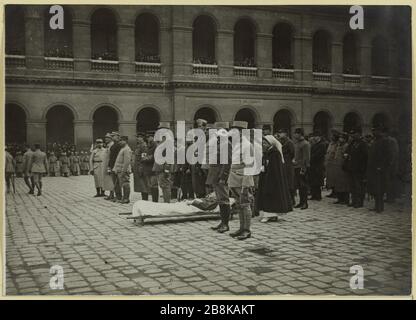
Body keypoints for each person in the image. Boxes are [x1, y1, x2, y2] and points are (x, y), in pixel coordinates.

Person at [228, 121, 255, 240]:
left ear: (240, 132)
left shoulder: (246, 145)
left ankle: (247, 230)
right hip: (233, 178)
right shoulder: (236, 144)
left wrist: (246, 184)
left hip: (242, 179)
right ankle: (241, 228)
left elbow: (249, 166)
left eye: (234, 130)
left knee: (245, 204)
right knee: (238, 205)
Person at [257, 135, 293, 222]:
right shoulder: (268, 153)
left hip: (273, 179)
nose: (263, 144)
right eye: (263, 143)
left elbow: (274, 168)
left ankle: (269, 214)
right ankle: (271, 214)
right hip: (267, 177)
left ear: (270, 143)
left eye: (265, 143)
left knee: (271, 196)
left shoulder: (274, 153)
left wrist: (265, 169)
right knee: (269, 196)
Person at [207, 122, 232, 233]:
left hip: (220, 176)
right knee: (220, 199)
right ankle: (222, 222)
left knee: (224, 199)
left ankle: (225, 224)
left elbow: (227, 163)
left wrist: (223, 177)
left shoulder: (226, 144)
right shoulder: (219, 144)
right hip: (215, 175)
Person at [366, 125, 393, 213]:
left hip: (380, 170)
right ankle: (377, 206)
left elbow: (388, 156)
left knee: (379, 189)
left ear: (380, 131)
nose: (373, 133)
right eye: (373, 131)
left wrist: (381, 166)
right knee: (375, 189)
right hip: (373, 169)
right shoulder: (375, 141)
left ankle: (380, 207)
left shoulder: (385, 141)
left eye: (375, 131)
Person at [343, 128, 368, 208]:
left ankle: (359, 202)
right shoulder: (352, 143)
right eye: (352, 134)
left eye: (354, 134)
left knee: (358, 186)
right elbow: (347, 151)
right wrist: (346, 154)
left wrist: (362, 167)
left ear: (359, 134)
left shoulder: (363, 143)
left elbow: (365, 156)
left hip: (359, 168)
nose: (352, 135)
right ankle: (354, 201)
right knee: (352, 185)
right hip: (351, 167)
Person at [152, 123, 174, 203]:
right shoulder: (163, 141)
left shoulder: (168, 141)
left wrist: (167, 170)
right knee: (163, 185)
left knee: (165, 185)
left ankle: (167, 203)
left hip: (163, 168)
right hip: (160, 167)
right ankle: (166, 202)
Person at [293, 128, 310, 209]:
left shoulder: (305, 144)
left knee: (303, 186)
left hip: (301, 167)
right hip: (296, 166)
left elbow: (306, 158)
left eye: (296, 133)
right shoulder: (297, 143)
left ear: (300, 134)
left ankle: (305, 203)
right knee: (299, 186)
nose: (294, 135)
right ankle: (301, 202)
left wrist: (304, 168)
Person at [277, 129, 295, 204]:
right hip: (283, 164)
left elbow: (292, 153)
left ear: (285, 134)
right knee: (285, 182)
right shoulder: (281, 141)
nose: (280, 134)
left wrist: (288, 159)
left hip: (288, 164)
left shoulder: (289, 142)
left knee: (289, 182)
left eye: (281, 133)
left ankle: (292, 199)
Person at [191, 118, 208, 198]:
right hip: (196, 164)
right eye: (197, 126)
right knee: (196, 183)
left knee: (202, 183)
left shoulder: (206, 137)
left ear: (204, 127)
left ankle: (203, 198)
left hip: (202, 164)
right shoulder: (196, 138)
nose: (197, 128)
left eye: (199, 126)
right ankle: (199, 197)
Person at [332, 132, 351, 205]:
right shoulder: (338, 145)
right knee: (338, 184)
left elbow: (345, 156)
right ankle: (339, 198)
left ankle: (345, 199)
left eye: (342, 137)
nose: (340, 139)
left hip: (343, 167)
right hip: (337, 166)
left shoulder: (346, 146)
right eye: (340, 137)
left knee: (344, 184)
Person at [113, 136, 132, 204]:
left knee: (125, 184)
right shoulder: (123, 149)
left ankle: (126, 199)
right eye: (120, 141)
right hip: (119, 169)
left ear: (125, 141)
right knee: (121, 184)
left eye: (121, 141)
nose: (120, 142)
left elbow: (127, 162)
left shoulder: (126, 149)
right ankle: (123, 198)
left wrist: (123, 171)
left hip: (123, 170)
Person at [308, 131, 327, 201]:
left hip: (318, 165)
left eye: (316, 136)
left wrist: (310, 157)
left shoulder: (322, 145)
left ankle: (318, 196)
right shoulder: (315, 144)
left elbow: (319, 154)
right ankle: (314, 195)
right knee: (313, 180)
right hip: (313, 165)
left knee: (318, 181)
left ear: (319, 137)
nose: (314, 137)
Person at [142, 131, 159, 202]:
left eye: (149, 137)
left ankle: (155, 201)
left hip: (153, 168)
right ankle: (153, 200)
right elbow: (144, 155)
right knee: (151, 185)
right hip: (148, 168)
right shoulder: (149, 145)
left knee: (154, 185)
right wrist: (146, 158)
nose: (148, 138)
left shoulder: (155, 146)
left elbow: (155, 157)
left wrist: (146, 158)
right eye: (147, 137)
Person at [132, 132, 150, 200]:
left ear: (142, 138)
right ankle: (144, 198)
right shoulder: (139, 146)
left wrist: (141, 168)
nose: (137, 138)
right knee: (141, 184)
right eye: (137, 137)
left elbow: (144, 158)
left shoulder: (143, 146)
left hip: (141, 168)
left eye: (139, 137)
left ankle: (145, 199)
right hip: (138, 167)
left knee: (144, 184)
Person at [385, 129, 399, 203]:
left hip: (391, 165)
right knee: (389, 181)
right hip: (391, 164)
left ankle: (391, 198)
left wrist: (391, 163)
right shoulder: (392, 140)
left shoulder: (391, 141)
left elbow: (393, 153)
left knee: (390, 181)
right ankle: (390, 197)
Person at [325, 130, 340, 198]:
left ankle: (336, 192)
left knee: (335, 179)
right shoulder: (331, 144)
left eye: (333, 136)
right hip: (329, 163)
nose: (331, 137)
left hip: (334, 164)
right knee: (330, 179)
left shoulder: (337, 144)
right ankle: (333, 191)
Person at [108, 132, 122, 202]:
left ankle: (119, 196)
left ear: (118, 136)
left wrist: (116, 166)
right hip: (112, 165)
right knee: (114, 182)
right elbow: (111, 157)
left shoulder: (119, 145)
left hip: (117, 165)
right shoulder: (113, 145)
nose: (112, 137)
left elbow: (119, 157)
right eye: (112, 136)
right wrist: (109, 166)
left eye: (114, 136)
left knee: (118, 182)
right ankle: (117, 196)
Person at [102, 133, 115, 200]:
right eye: (105, 138)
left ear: (111, 139)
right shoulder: (108, 145)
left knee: (111, 179)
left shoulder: (112, 145)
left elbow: (111, 157)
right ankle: (111, 194)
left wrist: (109, 167)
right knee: (108, 179)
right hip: (106, 164)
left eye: (107, 138)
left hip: (109, 165)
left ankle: (112, 194)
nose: (106, 139)